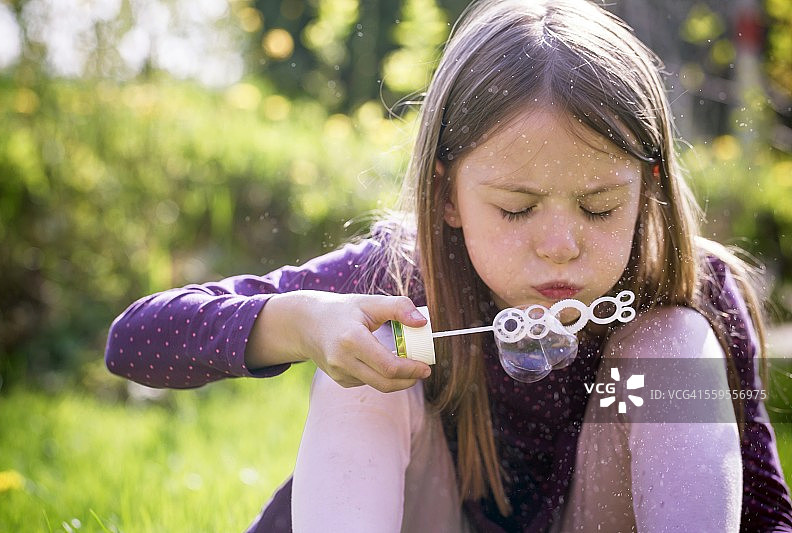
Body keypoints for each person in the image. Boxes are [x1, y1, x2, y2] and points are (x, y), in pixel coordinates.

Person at [104, 0, 792, 531]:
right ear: (448, 195)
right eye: (517, 210)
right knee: (371, 353)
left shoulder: (697, 289)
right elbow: (134, 339)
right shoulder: (401, 275)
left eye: (600, 206)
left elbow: (764, 511)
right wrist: (305, 322)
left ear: (646, 189)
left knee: (673, 342)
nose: (561, 244)